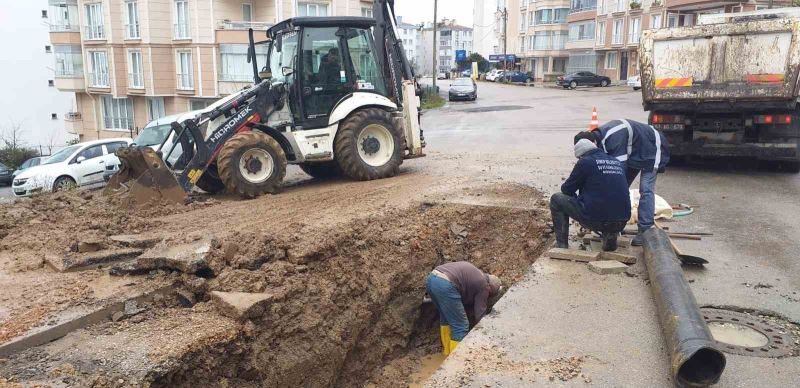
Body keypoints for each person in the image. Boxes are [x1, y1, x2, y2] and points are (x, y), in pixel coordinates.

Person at [587, 119, 670, 246]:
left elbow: (617, 171)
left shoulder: (613, 137)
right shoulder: (600, 140)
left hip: (653, 147)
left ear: (592, 143)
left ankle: (645, 230)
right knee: (620, 189)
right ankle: (617, 225)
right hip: (635, 151)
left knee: (645, 189)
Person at [550, 137, 631, 251]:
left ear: (581, 155)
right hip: (622, 220)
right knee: (607, 202)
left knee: (556, 199)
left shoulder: (585, 162)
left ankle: (562, 246)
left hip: (596, 220)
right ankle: (610, 235)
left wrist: (578, 197)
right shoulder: (616, 162)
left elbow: (566, 189)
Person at [425, 261, 502, 356]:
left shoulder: (475, 274)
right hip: (445, 284)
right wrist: (485, 334)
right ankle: (454, 361)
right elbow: (480, 315)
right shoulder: (484, 285)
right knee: (461, 325)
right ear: (490, 288)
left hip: (432, 279)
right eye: (489, 295)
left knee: (446, 318)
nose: (487, 296)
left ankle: (446, 353)